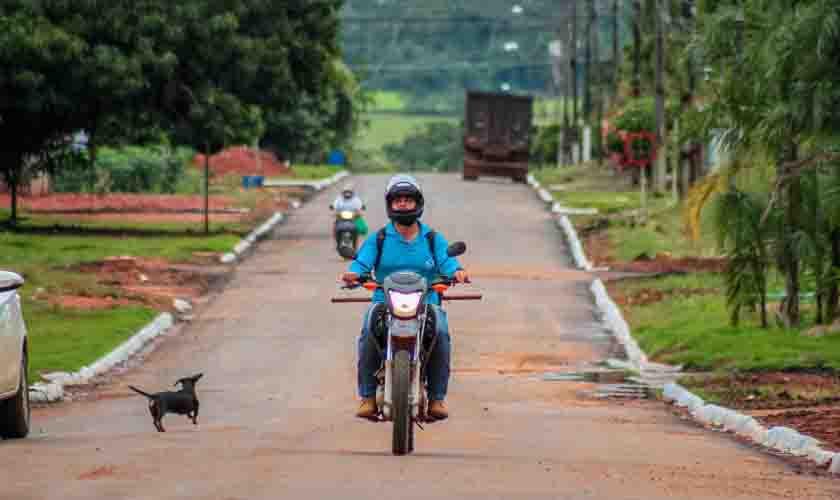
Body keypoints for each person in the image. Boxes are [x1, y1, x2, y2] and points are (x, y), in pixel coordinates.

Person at [341, 174, 469, 420]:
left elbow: (447, 260)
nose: (402, 204)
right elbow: (361, 263)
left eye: (407, 200)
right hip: (384, 301)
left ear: (417, 203)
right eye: (397, 200)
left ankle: (437, 399)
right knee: (368, 330)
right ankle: (367, 397)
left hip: (427, 301)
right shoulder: (378, 239)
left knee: (441, 332)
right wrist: (353, 274)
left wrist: (458, 272)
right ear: (390, 204)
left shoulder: (432, 238)